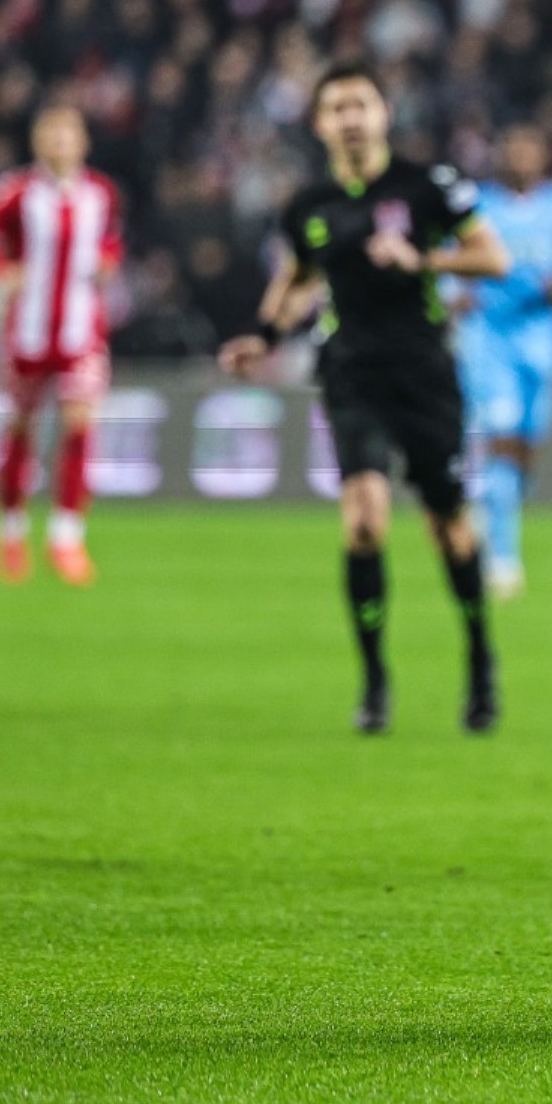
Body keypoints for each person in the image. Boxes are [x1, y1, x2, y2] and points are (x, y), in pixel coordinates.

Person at [218, 64, 511, 735]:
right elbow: (299, 276)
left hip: (425, 373)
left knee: (449, 527)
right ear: (320, 123)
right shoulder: (309, 204)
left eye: (361, 104)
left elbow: (492, 258)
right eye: (337, 107)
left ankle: (479, 659)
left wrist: (423, 260)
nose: (350, 117)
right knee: (364, 522)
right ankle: (375, 681)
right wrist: (263, 335)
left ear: (383, 113)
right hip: (351, 372)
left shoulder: (427, 185)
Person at [0, 105, 124, 587]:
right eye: (50, 132)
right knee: (21, 428)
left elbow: (111, 244)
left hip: (82, 333)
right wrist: (2, 272)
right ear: (37, 141)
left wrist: (108, 263)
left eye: (67, 132)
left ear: (83, 141)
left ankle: (65, 536)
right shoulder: (15, 192)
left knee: (79, 424)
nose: (58, 140)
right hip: (26, 333)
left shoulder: (101, 193)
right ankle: (11, 531)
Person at [452, 125, 552, 597]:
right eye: (512, 148)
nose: (520, 157)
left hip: (541, 335)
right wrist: (454, 293)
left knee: (528, 441)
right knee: (501, 433)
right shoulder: (477, 205)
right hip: (488, 334)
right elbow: (446, 260)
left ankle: (494, 506)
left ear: (542, 156)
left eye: (528, 149)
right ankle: (502, 554)